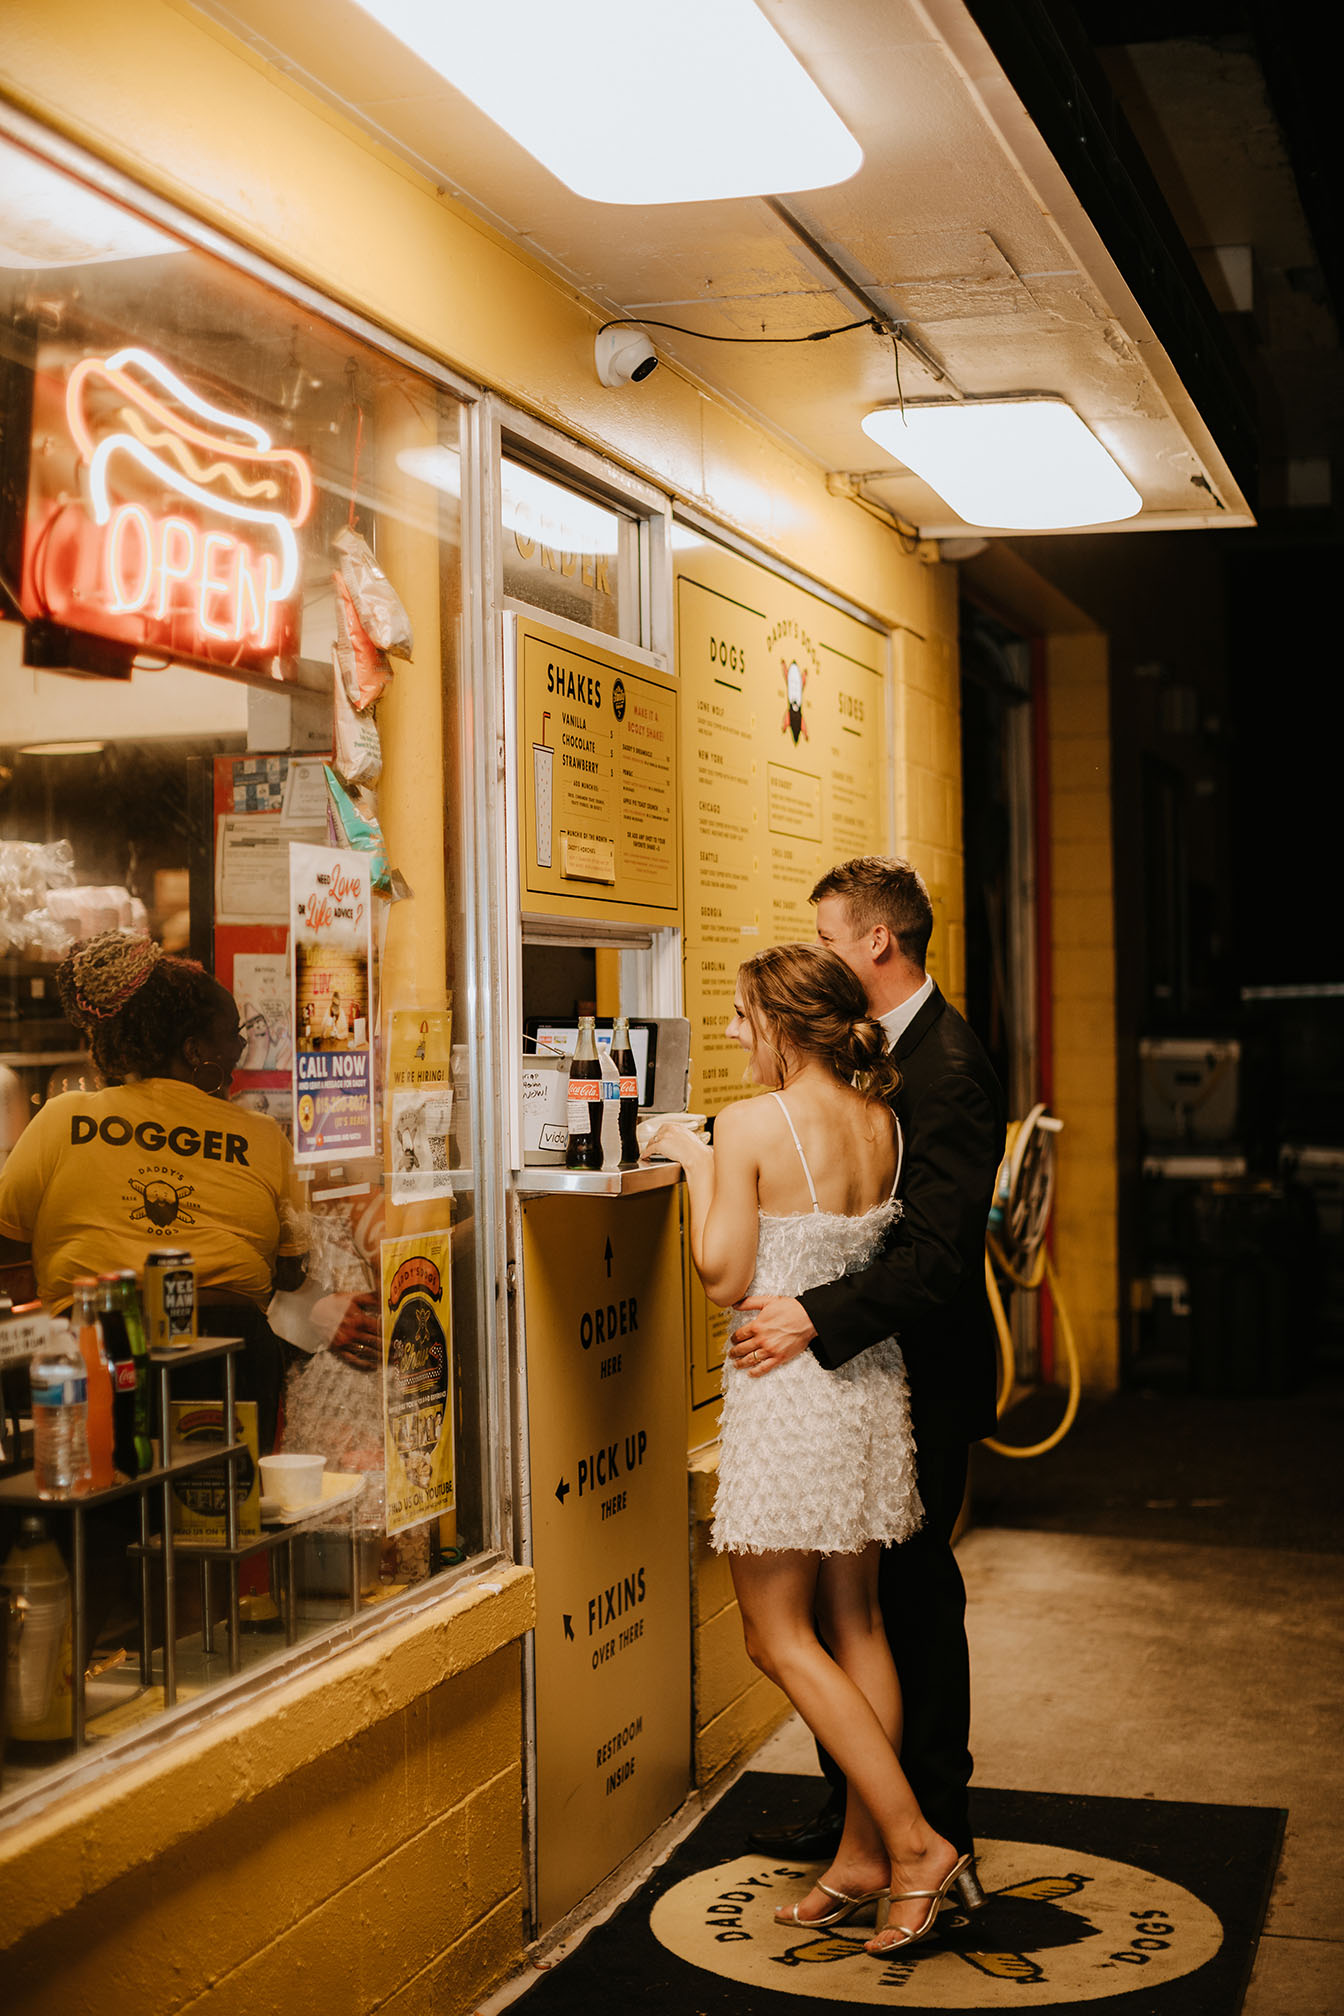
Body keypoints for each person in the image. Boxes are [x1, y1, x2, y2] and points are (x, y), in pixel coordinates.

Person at [652, 943, 969, 1957]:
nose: (736, 1032)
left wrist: (698, 1158)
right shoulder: (880, 1117)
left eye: (743, 1016)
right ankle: (866, 1856)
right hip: (870, 1390)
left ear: (786, 1023)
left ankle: (915, 1846)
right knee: (858, 1621)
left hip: (789, 1401)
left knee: (777, 1637)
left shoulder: (748, 1124)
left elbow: (721, 1273)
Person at [729, 857, 1006, 1912]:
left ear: (877, 944)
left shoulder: (945, 1069)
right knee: (865, 1615)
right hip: (857, 1375)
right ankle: (859, 1827)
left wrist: (814, 1312)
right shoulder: (873, 1068)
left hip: (912, 1374)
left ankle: (933, 1831)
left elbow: (935, 1257)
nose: (821, 957)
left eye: (830, 938)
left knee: (912, 1606)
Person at [0, 932, 307, 1448]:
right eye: (233, 1034)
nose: (239, 1047)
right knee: (223, 1516)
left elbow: (7, 1249)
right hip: (229, 1356)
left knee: (106, 1506)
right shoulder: (262, 1138)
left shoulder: (65, 1118)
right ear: (194, 1051)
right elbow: (291, 1271)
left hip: (93, 1355)